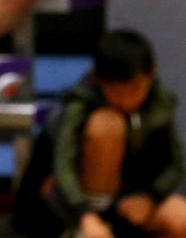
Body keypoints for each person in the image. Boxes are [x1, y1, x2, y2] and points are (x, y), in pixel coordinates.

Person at [14, 29, 186, 238]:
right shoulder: (78, 107)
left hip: (130, 200)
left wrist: (151, 198)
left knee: (180, 218)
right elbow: (63, 166)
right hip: (71, 207)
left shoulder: (161, 102)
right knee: (108, 124)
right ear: (97, 78)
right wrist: (84, 214)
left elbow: (174, 164)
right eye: (116, 91)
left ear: (152, 75)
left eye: (135, 89)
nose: (126, 100)